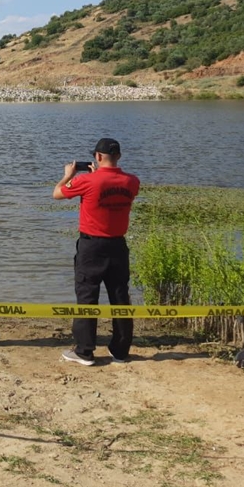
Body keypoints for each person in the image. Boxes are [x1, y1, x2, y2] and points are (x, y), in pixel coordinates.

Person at [53, 137, 141, 365]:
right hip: (118, 245)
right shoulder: (132, 181)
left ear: (98, 157)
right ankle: (121, 350)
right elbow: (116, 189)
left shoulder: (87, 181)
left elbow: (58, 193)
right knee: (120, 296)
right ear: (119, 156)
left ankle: (85, 351)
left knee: (87, 295)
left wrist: (69, 174)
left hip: (91, 246)